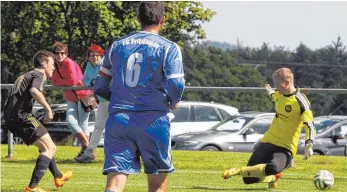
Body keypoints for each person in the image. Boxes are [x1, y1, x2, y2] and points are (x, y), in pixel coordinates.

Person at [94, 1, 185, 192]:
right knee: (157, 185)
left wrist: (119, 98)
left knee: (115, 183)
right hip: (153, 119)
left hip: (119, 120)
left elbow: (100, 86)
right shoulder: (168, 47)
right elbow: (176, 83)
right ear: (163, 20)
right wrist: (173, 101)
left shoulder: (117, 46)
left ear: (138, 19)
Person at [223, 68, 315, 189]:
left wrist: (309, 143)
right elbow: (273, 96)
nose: (276, 87)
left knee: (274, 167)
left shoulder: (300, 101)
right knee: (248, 179)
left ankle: (238, 170)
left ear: (287, 83)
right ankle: (273, 178)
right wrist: (269, 91)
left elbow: (309, 124)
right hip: (267, 141)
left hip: (285, 147)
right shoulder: (278, 94)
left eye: (277, 84)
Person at [3, 50, 72, 192]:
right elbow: (34, 91)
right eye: (52, 64)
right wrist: (48, 109)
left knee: (46, 146)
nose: (54, 68)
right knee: (50, 148)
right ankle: (32, 187)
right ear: (44, 63)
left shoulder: (27, 75)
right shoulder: (38, 74)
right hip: (22, 117)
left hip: (15, 117)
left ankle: (58, 176)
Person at [50, 41, 91, 159]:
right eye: (57, 53)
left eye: (62, 53)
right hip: (71, 96)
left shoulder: (69, 63)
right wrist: (60, 83)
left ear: (66, 53)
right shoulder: (56, 64)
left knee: (83, 125)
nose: (60, 55)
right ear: (53, 54)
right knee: (71, 122)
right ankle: (88, 149)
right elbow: (53, 80)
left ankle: (85, 153)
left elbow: (72, 81)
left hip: (83, 95)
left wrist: (59, 83)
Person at [75, 44, 108, 163]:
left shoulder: (106, 64)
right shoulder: (90, 65)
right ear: (88, 57)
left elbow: (104, 80)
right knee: (98, 126)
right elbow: (86, 81)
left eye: (97, 55)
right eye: (92, 55)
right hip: (104, 100)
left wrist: (94, 84)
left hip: (114, 99)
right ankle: (89, 153)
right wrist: (94, 84)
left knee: (119, 127)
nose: (95, 57)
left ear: (101, 56)